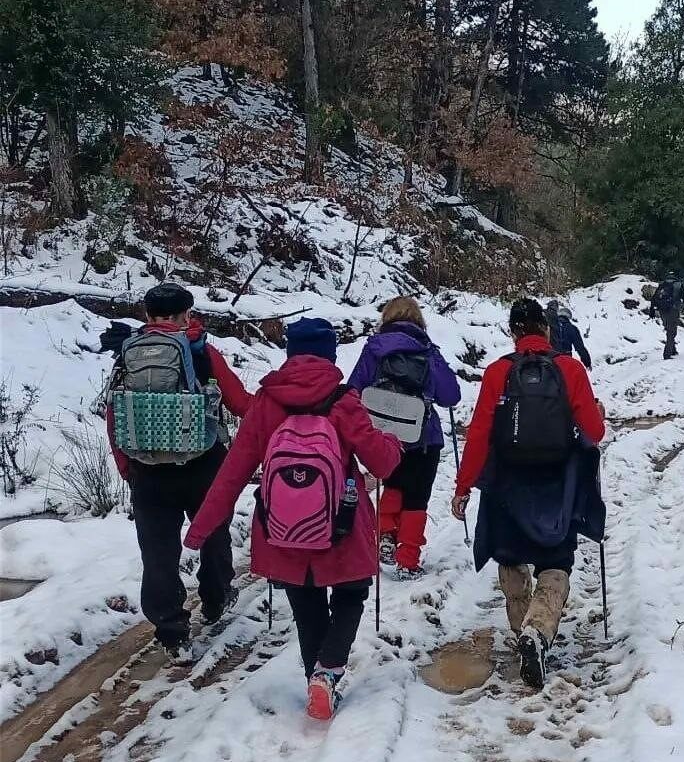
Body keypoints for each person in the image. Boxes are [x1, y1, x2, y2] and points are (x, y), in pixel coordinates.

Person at [184, 318, 401, 720]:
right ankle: (328, 672)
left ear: (290, 353)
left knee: (306, 603)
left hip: (282, 529)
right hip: (341, 523)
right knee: (351, 594)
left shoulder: (267, 402)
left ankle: (314, 679)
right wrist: (391, 443)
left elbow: (233, 471)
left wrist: (200, 530)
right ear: (331, 354)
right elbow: (382, 462)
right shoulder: (342, 400)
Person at [450, 298, 606, 689]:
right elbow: (595, 431)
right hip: (558, 484)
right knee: (556, 562)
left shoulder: (497, 372)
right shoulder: (569, 369)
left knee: (511, 558)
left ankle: (523, 629)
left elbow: (480, 434)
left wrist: (463, 486)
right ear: (546, 329)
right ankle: (538, 631)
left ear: (513, 332)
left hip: (507, 483)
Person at [104, 282, 252, 661]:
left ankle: (172, 632)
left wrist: (129, 469)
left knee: (157, 552)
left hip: (147, 470)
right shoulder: (200, 351)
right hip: (204, 465)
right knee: (214, 535)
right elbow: (238, 404)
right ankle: (216, 599)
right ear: (186, 313)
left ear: (148, 315)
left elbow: (114, 414)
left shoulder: (128, 354)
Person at [347, 296, 461, 578]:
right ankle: (407, 560)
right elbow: (450, 396)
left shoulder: (374, 349)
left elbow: (352, 390)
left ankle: (385, 536)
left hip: (383, 434)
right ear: (419, 320)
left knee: (393, 485)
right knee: (417, 497)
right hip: (423, 436)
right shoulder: (428, 350)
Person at [545, 300, 592, 370]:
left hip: (550, 358)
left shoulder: (551, 325)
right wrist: (587, 363)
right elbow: (580, 347)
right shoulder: (572, 328)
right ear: (569, 317)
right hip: (566, 358)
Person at [650, 272, 683, 359]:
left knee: (669, 330)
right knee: (672, 332)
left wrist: (652, 310)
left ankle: (673, 350)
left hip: (662, 310)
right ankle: (667, 354)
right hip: (673, 311)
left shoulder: (662, 285)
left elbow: (654, 298)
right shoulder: (678, 285)